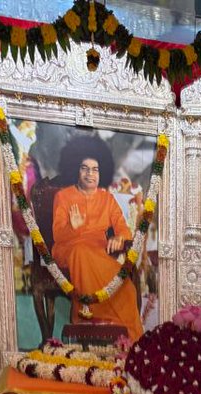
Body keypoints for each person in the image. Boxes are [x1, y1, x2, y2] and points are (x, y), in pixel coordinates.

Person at [51, 135, 142, 341]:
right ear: (77, 170)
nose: (90, 174)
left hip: (98, 252)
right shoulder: (63, 196)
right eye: (85, 168)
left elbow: (123, 228)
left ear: (101, 173)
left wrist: (119, 237)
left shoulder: (107, 198)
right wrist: (72, 228)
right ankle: (88, 320)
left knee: (126, 288)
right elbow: (57, 235)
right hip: (69, 249)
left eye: (95, 169)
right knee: (81, 252)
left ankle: (129, 339)